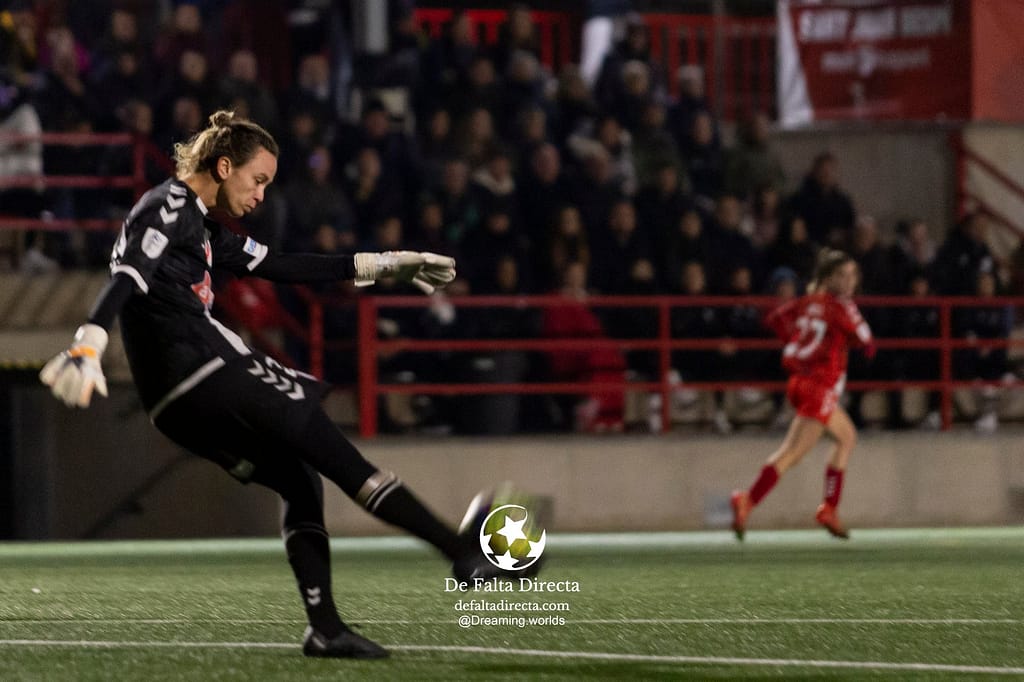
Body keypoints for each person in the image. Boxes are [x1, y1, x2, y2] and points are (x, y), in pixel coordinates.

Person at [37, 111, 509, 660]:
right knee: (331, 449)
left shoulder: (203, 226)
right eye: (257, 180)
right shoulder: (170, 204)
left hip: (173, 404)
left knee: (299, 480)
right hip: (204, 369)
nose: (261, 195)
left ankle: (326, 629)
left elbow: (281, 266)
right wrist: (89, 339)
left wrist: (384, 265)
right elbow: (128, 276)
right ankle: (463, 554)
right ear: (224, 165)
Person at [730, 248, 875, 541]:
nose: (849, 282)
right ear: (827, 278)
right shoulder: (841, 306)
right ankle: (749, 499)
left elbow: (776, 319)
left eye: (852, 275)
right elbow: (867, 343)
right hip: (820, 385)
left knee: (845, 437)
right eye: (842, 276)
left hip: (800, 381)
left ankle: (829, 508)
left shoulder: (807, 303)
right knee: (792, 454)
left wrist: (800, 341)